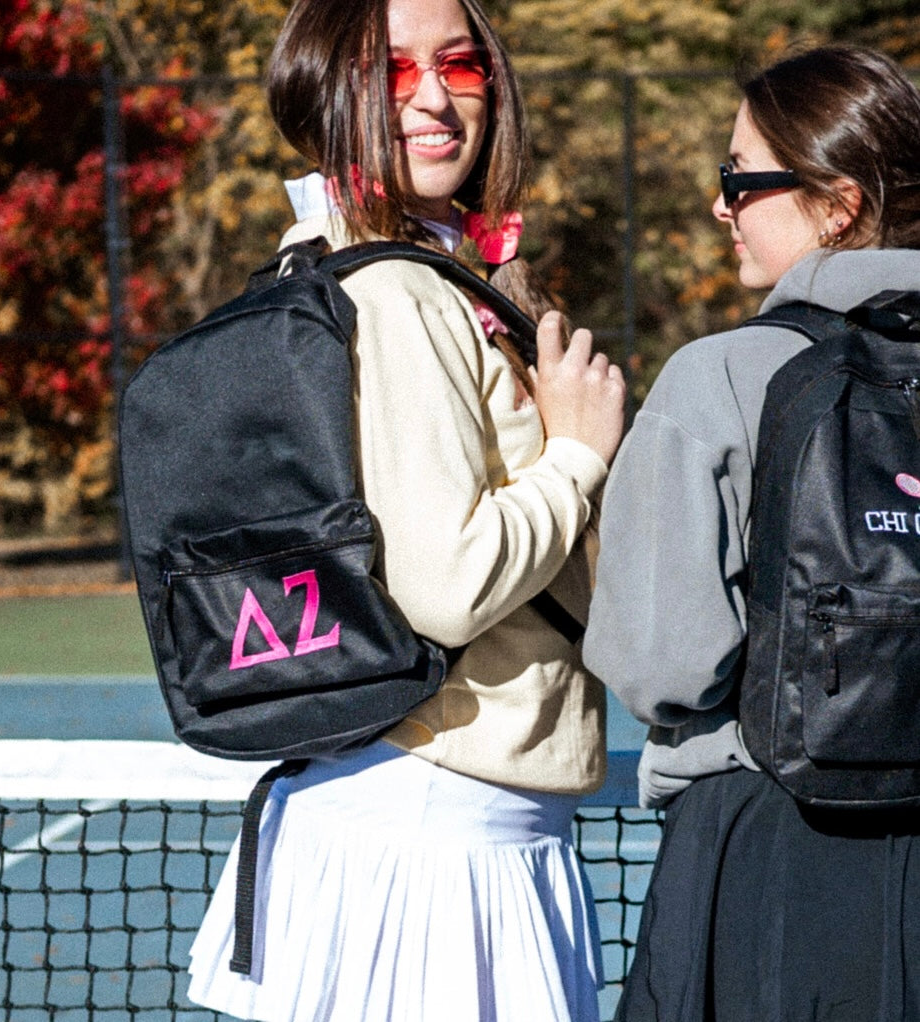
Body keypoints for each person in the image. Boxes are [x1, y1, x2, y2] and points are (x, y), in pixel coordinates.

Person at [186, 0, 627, 1019]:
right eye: (389, 71)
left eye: (458, 63)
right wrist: (574, 452)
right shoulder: (396, 292)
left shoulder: (362, 262)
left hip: (423, 807)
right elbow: (444, 584)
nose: (432, 96)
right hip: (433, 831)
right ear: (325, 92)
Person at [583, 44, 920, 1022]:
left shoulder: (720, 373)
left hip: (761, 848)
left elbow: (661, 661)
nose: (720, 204)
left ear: (836, 202)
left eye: (739, 179)